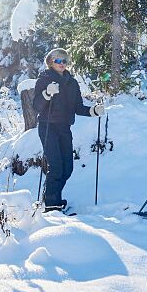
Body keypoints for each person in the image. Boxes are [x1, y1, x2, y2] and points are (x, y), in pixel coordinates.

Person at [32, 47, 105, 212]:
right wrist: (46, 93)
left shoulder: (72, 83)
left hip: (64, 128)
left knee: (68, 168)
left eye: (64, 60)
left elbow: (78, 107)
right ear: (50, 62)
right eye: (58, 60)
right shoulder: (44, 79)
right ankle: (52, 206)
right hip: (48, 127)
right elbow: (36, 106)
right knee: (56, 166)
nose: (62, 63)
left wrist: (93, 111)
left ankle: (51, 197)